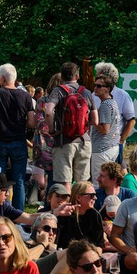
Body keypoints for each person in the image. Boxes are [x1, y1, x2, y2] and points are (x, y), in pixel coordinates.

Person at [0, 63, 36, 210]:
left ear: (2, 78)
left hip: (0, 141)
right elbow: (32, 122)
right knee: (18, 181)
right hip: (19, 141)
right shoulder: (26, 96)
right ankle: (17, 215)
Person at [44, 62, 97, 190]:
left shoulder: (58, 91)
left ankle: (67, 208)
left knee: (64, 181)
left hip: (63, 141)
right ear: (77, 76)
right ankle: (81, 208)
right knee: (82, 183)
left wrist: (52, 130)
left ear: (61, 77)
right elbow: (95, 120)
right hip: (84, 141)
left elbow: (48, 111)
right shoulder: (86, 92)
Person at [94, 62, 136, 164]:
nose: (96, 79)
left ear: (108, 78)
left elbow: (131, 120)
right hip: (96, 146)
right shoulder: (93, 94)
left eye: (99, 75)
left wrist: (121, 141)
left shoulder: (123, 95)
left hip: (113, 145)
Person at [55, 181, 105, 250]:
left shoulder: (95, 215)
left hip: (89, 254)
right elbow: (56, 243)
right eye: (92, 195)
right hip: (66, 254)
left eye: (95, 195)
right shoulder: (64, 215)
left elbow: (99, 245)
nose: (95, 198)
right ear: (78, 197)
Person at [90, 75, 121, 185]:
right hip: (111, 146)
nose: (95, 88)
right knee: (107, 181)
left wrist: (93, 121)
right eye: (95, 85)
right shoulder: (112, 102)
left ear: (108, 89)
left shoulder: (105, 106)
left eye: (99, 86)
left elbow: (105, 130)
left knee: (98, 182)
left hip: (102, 149)